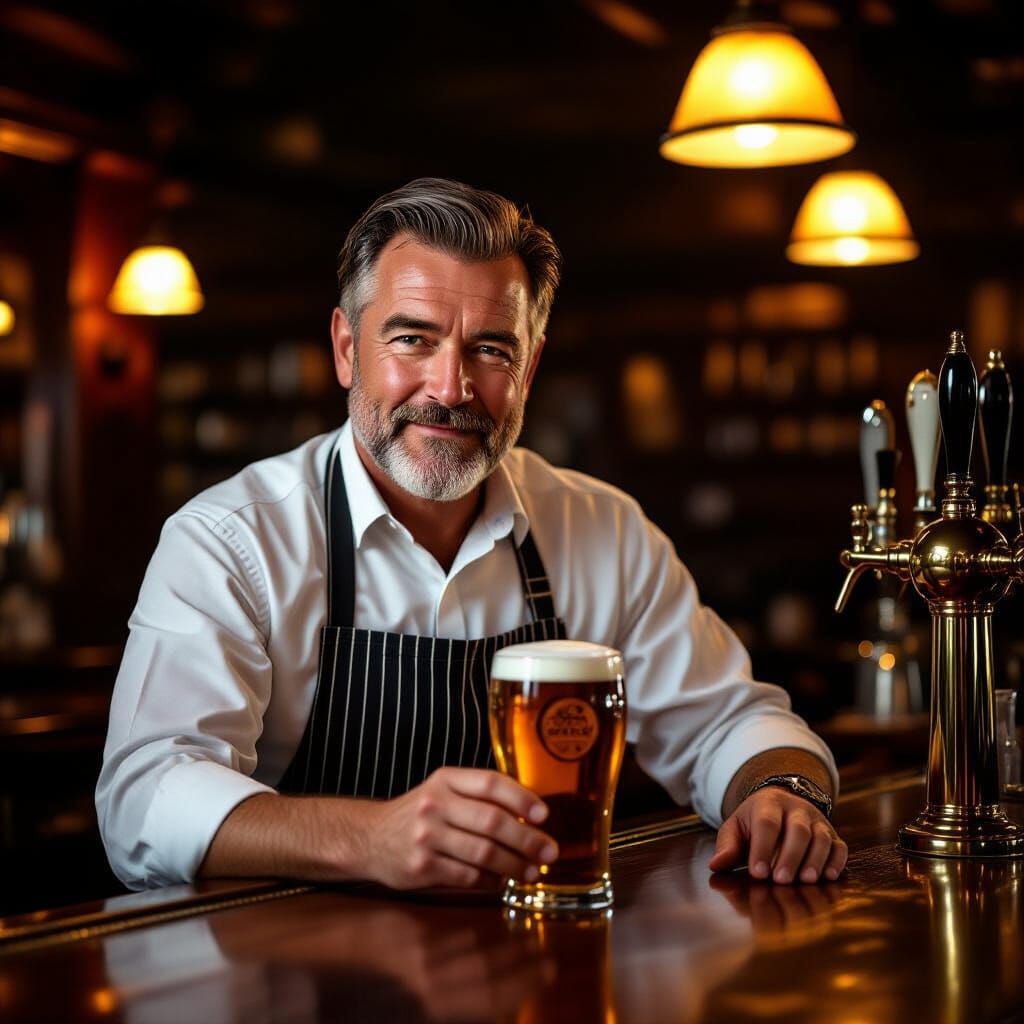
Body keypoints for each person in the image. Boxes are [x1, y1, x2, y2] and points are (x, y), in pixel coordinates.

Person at [96, 178, 847, 893]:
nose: (450, 389)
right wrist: (370, 838)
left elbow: (731, 723)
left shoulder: (602, 529)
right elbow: (145, 797)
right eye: (413, 340)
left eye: (491, 349)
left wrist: (779, 793)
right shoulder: (232, 541)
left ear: (531, 366)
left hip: (537, 955)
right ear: (347, 348)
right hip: (290, 971)